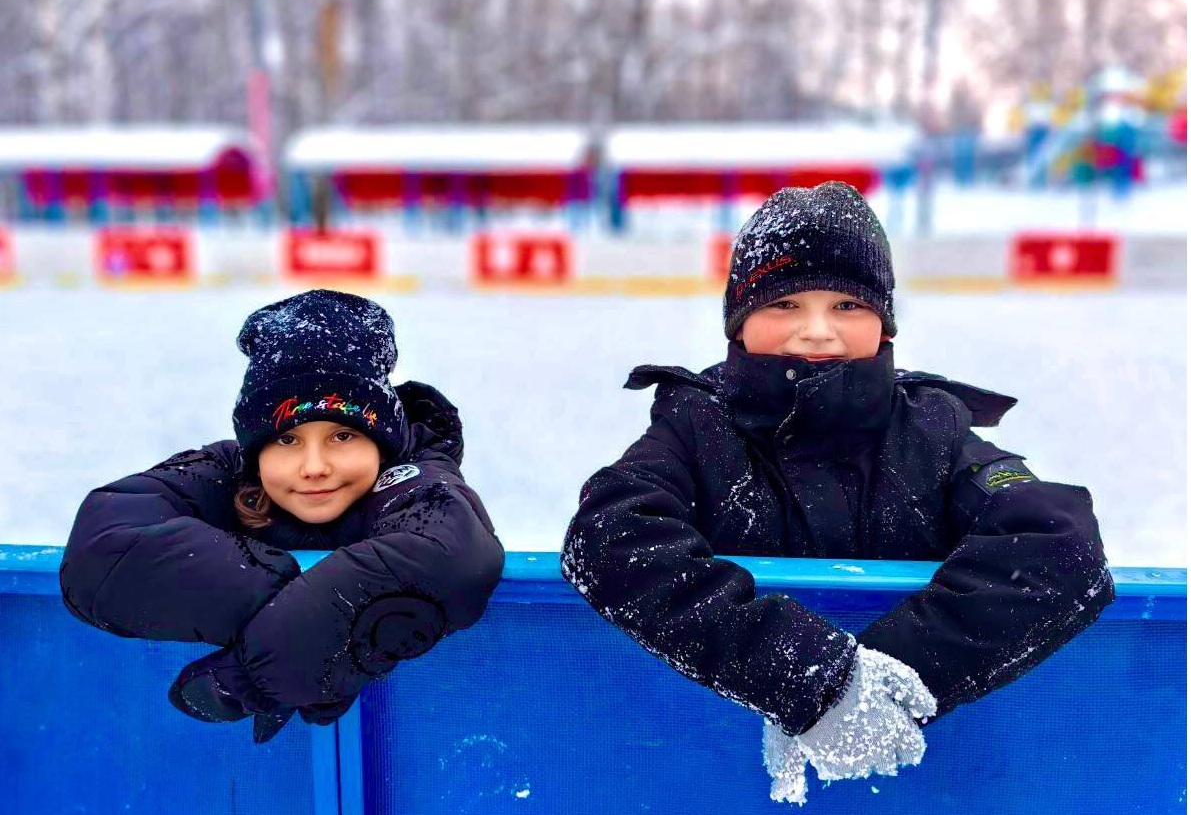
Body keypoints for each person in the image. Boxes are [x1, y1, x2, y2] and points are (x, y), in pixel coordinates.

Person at [561, 182, 1114, 804]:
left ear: (884, 322)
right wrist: (814, 681)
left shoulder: (933, 429)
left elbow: (1057, 543)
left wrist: (886, 683)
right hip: (710, 776)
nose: (816, 332)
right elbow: (608, 537)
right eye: (784, 304)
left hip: (915, 787)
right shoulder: (697, 427)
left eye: (848, 305)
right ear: (739, 323)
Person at [60, 289, 504, 742]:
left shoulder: (413, 479)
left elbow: (449, 557)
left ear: (383, 442)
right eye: (287, 440)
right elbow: (105, 549)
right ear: (255, 449)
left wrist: (250, 679)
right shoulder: (228, 472)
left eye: (344, 436)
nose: (314, 466)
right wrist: (311, 635)